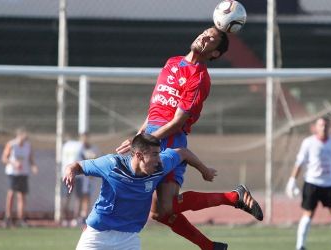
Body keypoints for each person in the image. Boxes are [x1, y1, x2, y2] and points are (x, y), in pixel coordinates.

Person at [116, 27, 263, 250]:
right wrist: (139, 135)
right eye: (205, 32)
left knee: (162, 208)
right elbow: (156, 107)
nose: (204, 36)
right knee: (160, 212)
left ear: (214, 54)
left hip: (170, 140)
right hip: (150, 136)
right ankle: (226, 215)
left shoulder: (200, 78)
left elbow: (177, 122)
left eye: (212, 39)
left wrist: (145, 141)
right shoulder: (172, 62)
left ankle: (231, 202)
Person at [65, 134, 260, 250]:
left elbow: (182, 152)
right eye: (155, 154)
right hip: (97, 237)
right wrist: (71, 172)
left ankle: (232, 200)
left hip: (129, 239)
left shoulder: (159, 165)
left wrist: (204, 170)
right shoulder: (111, 164)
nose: (160, 160)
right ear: (139, 155)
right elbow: (77, 166)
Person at [285, 117, 331, 250]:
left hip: (329, 183)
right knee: (308, 213)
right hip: (312, 183)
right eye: (321, 125)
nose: (323, 127)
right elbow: (299, 162)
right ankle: (300, 246)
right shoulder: (308, 143)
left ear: (329, 127)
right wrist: (292, 180)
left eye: (325, 125)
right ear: (315, 127)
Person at [60, 132, 101, 227]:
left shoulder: (66, 146)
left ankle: (70, 218)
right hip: (76, 174)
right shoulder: (79, 147)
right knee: (75, 197)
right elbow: (86, 158)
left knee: (71, 197)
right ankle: (72, 218)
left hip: (68, 173)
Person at [1, 127, 38, 228]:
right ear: (19, 135)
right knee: (11, 194)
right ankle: (8, 217)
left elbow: (30, 158)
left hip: (23, 173)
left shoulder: (28, 146)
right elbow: (4, 158)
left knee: (22, 195)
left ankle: (20, 218)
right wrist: (13, 163)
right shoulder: (11, 145)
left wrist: (33, 166)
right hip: (13, 172)